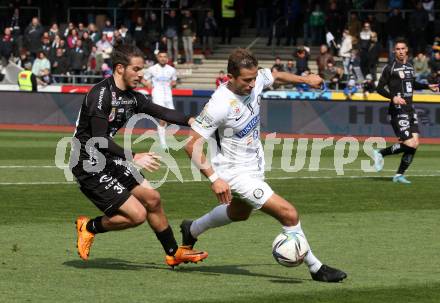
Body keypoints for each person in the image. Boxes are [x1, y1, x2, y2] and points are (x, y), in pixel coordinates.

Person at [181, 48, 347, 283]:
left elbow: (276, 75)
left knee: (238, 213)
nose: (252, 84)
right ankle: (316, 267)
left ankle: (192, 229)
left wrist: (306, 80)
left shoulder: (256, 78)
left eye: (254, 78)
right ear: (230, 77)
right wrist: (214, 179)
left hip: (254, 165)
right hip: (233, 173)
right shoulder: (219, 104)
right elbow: (191, 145)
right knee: (289, 214)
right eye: (246, 80)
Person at [71, 44, 207, 266]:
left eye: (142, 69)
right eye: (136, 69)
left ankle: (173, 253)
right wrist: (133, 156)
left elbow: (161, 111)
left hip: (108, 158)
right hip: (88, 164)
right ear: (119, 69)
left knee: (153, 199)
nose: (141, 74)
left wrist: (192, 120)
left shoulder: (133, 97)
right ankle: (88, 227)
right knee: (136, 216)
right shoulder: (101, 95)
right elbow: (99, 139)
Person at [374, 38, 439, 184]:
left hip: (410, 109)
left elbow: (412, 83)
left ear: (407, 50)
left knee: (415, 143)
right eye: (398, 49)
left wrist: (428, 86)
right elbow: (378, 88)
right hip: (397, 110)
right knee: (409, 143)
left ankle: (399, 175)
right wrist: (393, 98)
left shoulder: (410, 66)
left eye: (403, 49)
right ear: (394, 51)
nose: (401, 51)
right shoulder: (389, 67)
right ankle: (380, 153)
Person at [141, 50, 177, 149]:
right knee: (163, 117)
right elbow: (143, 79)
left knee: (172, 118)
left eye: (165, 56)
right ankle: (163, 143)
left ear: (167, 58)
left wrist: (173, 84)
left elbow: (174, 80)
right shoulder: (152, 69)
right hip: (157, 95)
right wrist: (147, 84)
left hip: (168, 97)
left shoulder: (172, 69)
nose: (163, 58)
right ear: (157, 58)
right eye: (161, 56)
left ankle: (161, 132)